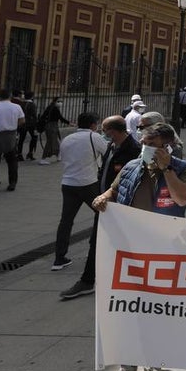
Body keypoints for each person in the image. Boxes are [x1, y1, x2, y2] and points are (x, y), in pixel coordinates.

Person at [92, 121, 186, 371]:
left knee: (156, 309)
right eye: (144, 143)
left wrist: (166, 169)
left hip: (162, 250)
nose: (146, 149)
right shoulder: (131, 166)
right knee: (127, 307)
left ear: (167, 146)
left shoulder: (183, 169)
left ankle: (154, 361)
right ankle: (127, 365)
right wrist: (104, 196)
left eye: (153, 145)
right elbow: (115, 190)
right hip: (128, 249)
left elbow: (182, 199)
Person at [60, 115, 140, 301]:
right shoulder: (113, 146)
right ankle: (88, 281)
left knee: (123, 243)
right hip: (106, 203)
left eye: (105, 131)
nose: (103, 134)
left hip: (120, 206)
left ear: (114, 131)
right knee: (97, 242)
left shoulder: (132, 150)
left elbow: (133, 180)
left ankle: (132, 281)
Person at [51, 112, 108, 271]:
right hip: (88, 183)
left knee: (66, 221)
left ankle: (59, 258)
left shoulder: (67, 139)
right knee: (105, 214)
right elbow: (108, 153)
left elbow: (63, 158)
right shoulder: (93, 137)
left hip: (68, 183)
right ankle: (103, 249)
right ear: (92, 125)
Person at [38, 97, 69, 164]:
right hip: (51, 127)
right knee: (50, 142)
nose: (60, 103)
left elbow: (43, 116)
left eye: (61, 101)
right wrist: (69, 123)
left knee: (55, 142)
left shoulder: (50, 107)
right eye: (58, 101)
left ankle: (58, 155)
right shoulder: (54, 108)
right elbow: (60, 118)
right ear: (55, 101)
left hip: (51, 126)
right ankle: (43, 159)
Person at [17, 90, 39, 161]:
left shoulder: (21, 104)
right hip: (31, 124)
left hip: (22, 123)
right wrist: (36, 124)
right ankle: (30, 153)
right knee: (34, 137)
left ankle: (19, 154)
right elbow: (34, 115)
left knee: (21, 139)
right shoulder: (32, 104)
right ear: (32, 97)